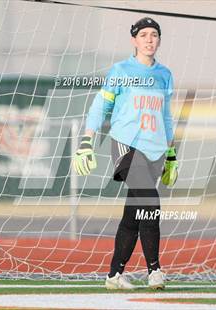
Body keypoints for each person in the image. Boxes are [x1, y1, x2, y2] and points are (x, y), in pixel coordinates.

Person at [73, 17, 178, 290]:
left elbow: (166, 116)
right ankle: (154, 270)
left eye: (154, 34)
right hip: (126, 145)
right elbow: (100, 107)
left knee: (133, 215)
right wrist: (87, 141)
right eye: (143, 34)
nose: (149, 39)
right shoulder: (121, 70)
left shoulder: (164, 74)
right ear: (134, 40)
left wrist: (171, 153)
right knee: (150, 202)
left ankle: (113, 276)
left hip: (155, 151)